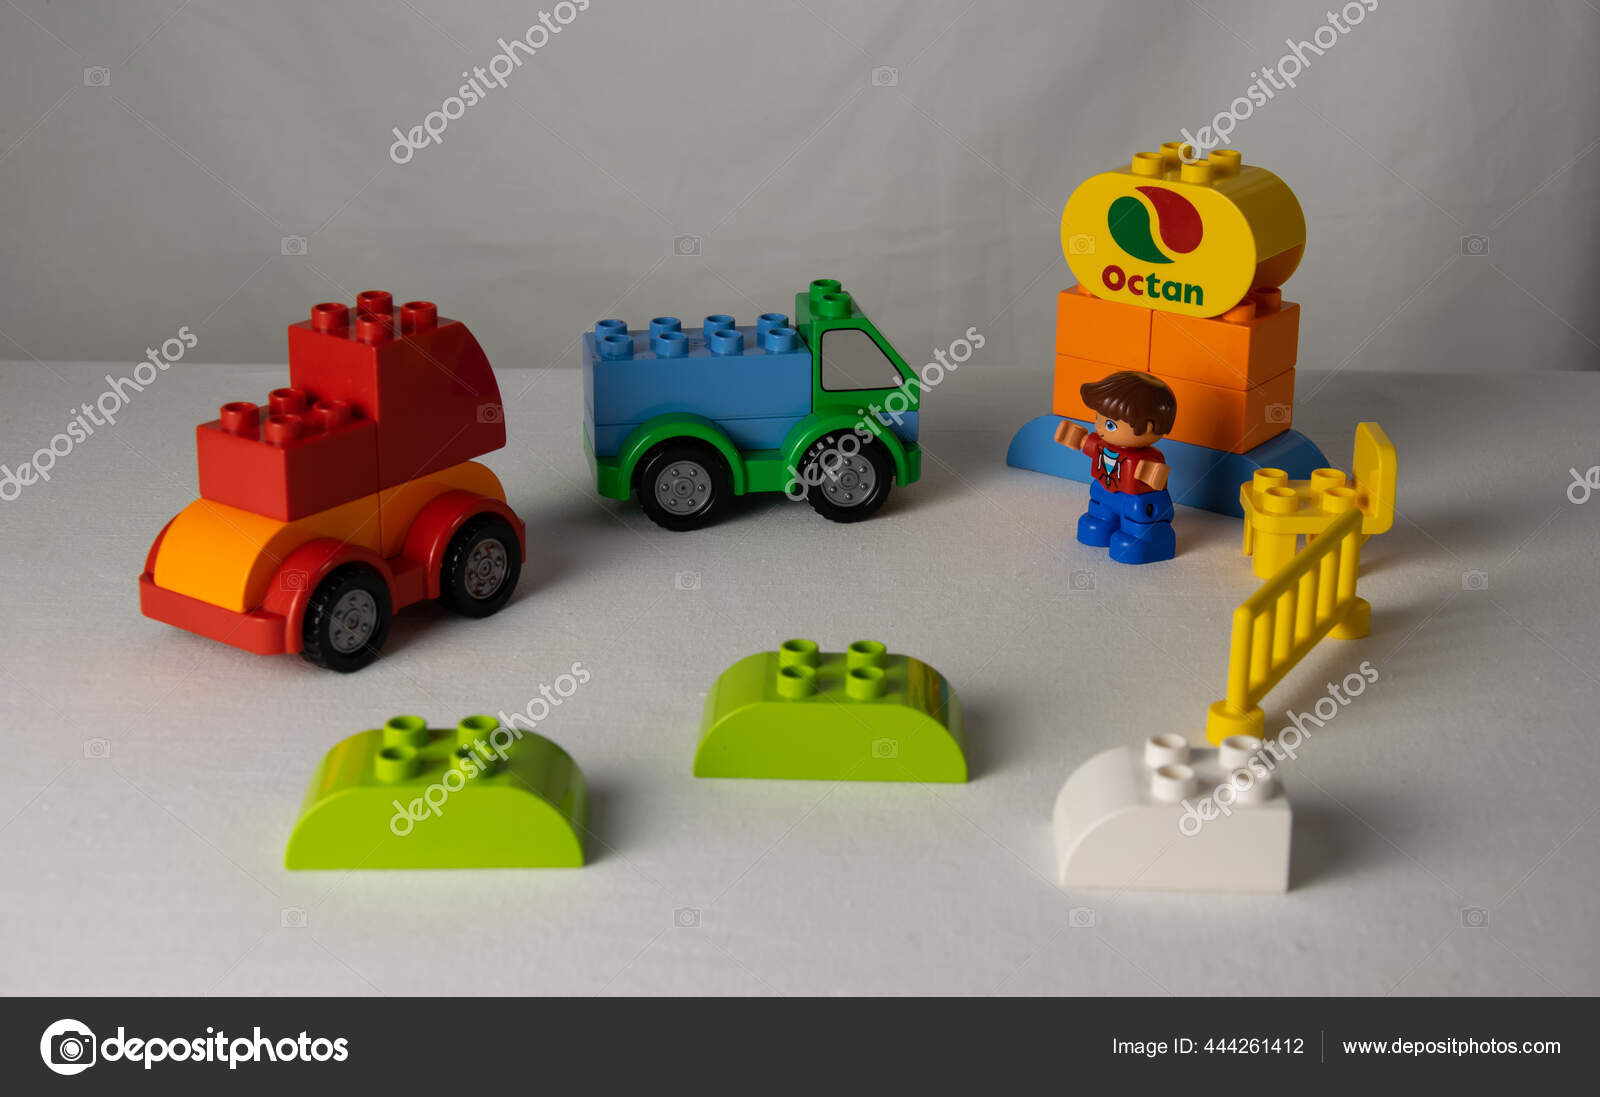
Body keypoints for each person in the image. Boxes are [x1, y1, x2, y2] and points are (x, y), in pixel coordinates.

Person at [1053, 371, 1177, 564]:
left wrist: (1153, 475)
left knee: (1136, 519)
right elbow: (1085, 442)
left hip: (1136, 501)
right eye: (1098, 418)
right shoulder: (1102, 445)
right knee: (1098, 511)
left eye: (1110, 425)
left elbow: (1157, 478)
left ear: (1149, 427)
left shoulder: (1150, 458)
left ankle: (1144, 538)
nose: (1100, 428)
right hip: (1104, 493)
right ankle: (1103, 521)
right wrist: (1075, 437)